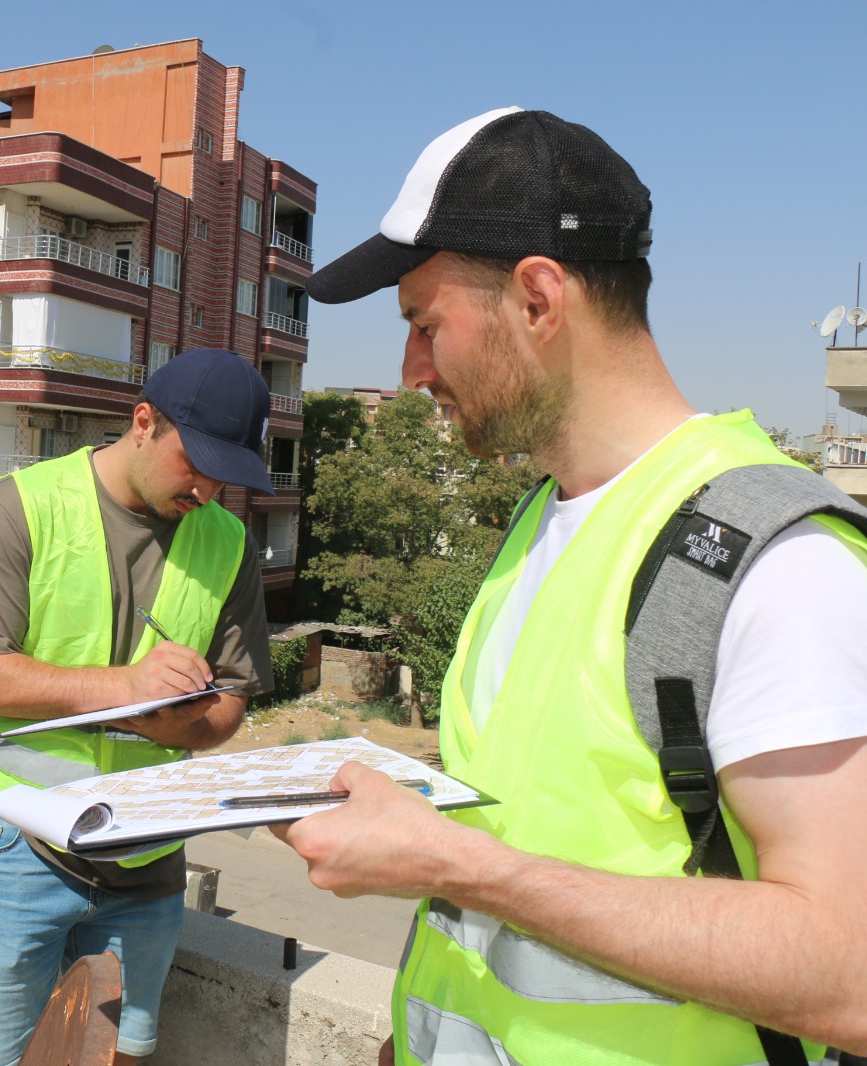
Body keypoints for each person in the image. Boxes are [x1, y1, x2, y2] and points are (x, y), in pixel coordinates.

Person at [271, 106, 867, 1064]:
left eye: (426, 325)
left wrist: (463, 865)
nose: (409, 370)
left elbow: (849, 975)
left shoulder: (779, 567)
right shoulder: (541, 518)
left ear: (539, 299)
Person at [0, 347, 276, 1065]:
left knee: (119, 1056)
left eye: (227, 474)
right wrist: (124, 692)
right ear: (144, 422)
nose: (209, 491)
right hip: (15, 844)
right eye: (197, 463)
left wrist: (180, 722)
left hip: (148, 858)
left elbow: (231, 703)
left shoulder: (230, 544)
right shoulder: (21, 507)